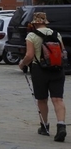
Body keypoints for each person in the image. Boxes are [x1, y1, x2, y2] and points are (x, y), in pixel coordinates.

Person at [18, 12, 67, 142]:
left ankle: (44, 127)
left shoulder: (32, 35)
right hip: (57, 69)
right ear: (45, 22)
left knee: (42, 99)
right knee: (58, 99)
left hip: (40, 70)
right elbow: (63, 52)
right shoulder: (56, 34)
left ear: (35, 23)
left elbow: (29, 55)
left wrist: (22, 64)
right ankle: (61, 125)